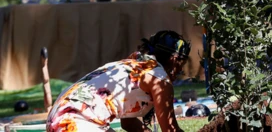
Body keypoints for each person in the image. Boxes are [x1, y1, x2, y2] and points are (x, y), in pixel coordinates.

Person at [46, 31, 191, 132]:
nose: (180, 72)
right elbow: (170, 129)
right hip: (75, 122)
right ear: (174, 60)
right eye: (182, 65)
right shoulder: (159, 79)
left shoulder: (135, 62)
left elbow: (128, 122)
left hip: (59, 116)